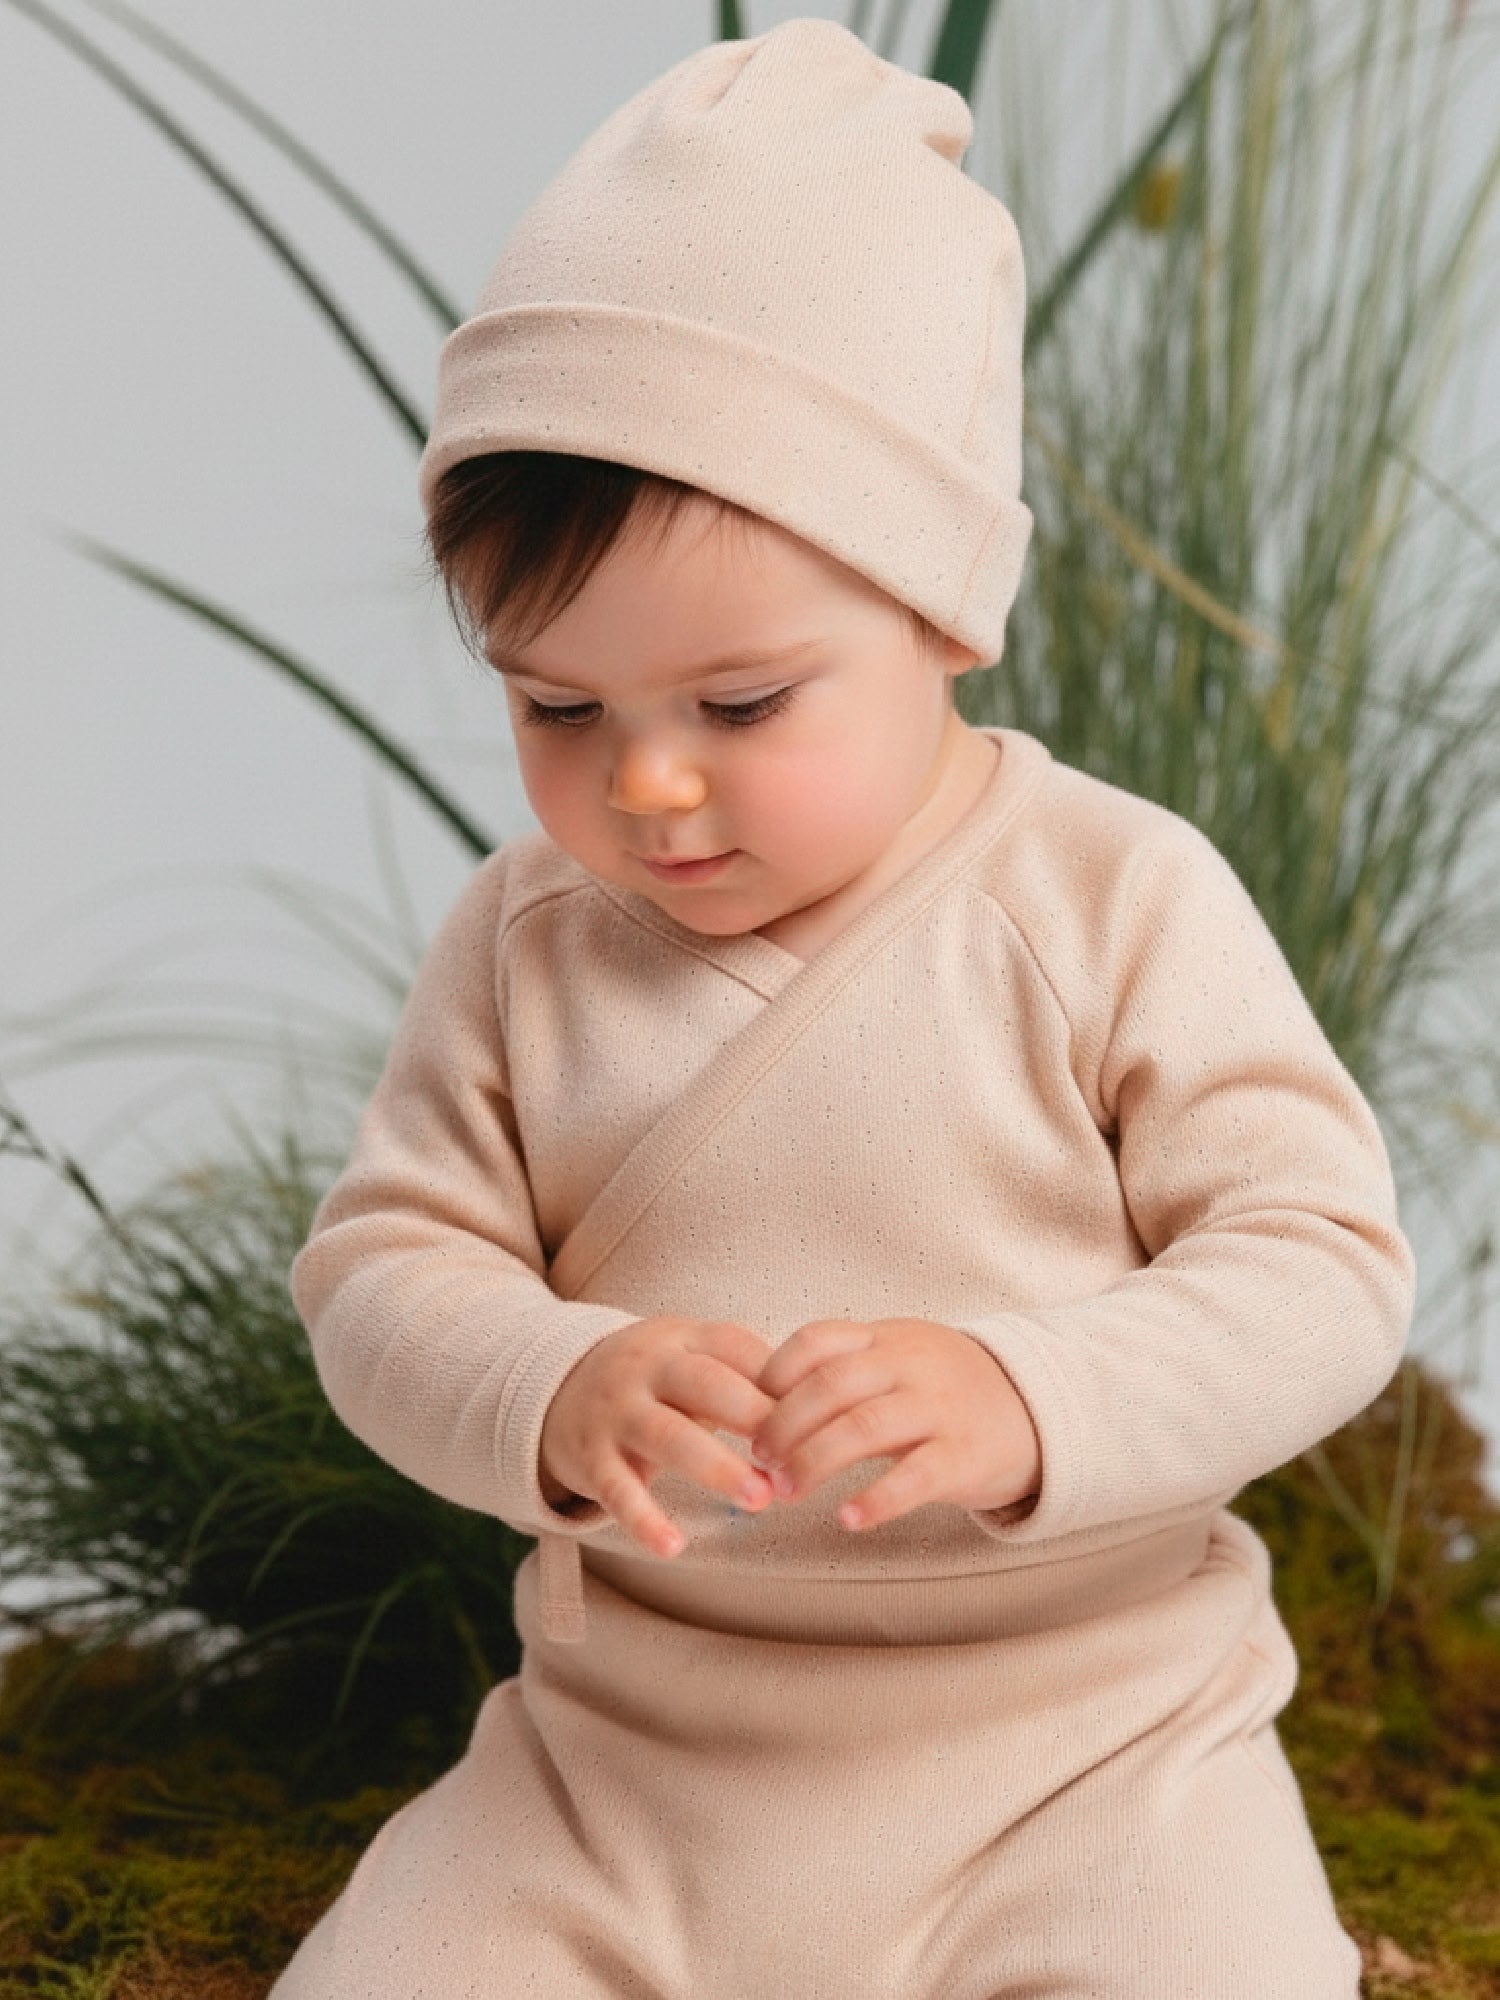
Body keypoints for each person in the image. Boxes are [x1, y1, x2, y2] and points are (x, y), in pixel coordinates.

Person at [269, 18, 1414, 1998]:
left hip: (1092, 1743)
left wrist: (1032, 1396)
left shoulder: (1108, 896)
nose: (646, 784)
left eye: (740, 702)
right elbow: (382, 1273)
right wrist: (547, 1383)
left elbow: (1321, 1262)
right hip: (631, 1755)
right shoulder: (525, 946)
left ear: (944, 610)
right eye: (557, 705)